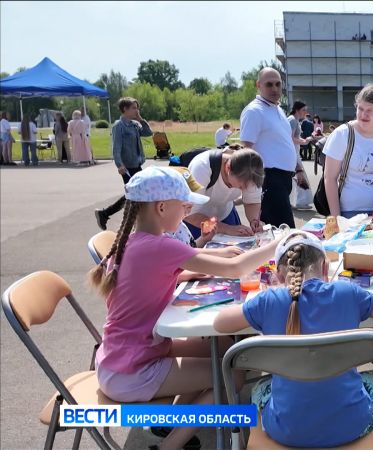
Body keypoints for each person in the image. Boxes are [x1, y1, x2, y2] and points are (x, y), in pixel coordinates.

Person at [88, 166, 281, 450]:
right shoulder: (160, 247)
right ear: (162, 207)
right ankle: (172, 444)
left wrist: (214, 255)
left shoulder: (137, 241)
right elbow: (236, 269)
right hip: (132, 370)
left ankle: (176, 422)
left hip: (122, 356)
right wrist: (280, 243)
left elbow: (171, 269)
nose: (188, 210)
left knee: (227, 348)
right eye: (184, 205)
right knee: (233, 372)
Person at [213, 231, 373, 448]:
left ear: (280, 276)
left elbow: (219, 323)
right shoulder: (347, 293)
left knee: (260, 388)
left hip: (285, 430)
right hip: (351, 425)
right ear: (325, 268)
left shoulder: (268, 301)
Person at [240, 68, 309, 228]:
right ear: (259, 85)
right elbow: (247, 149)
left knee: (277, 232)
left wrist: (298, 170)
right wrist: (252, 184)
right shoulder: (254, 111)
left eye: (278, 84)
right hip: (269, 178)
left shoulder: (277, 109)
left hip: (284, 178)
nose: (274, 89)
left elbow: (286, 143)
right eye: (269, 84)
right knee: (285, 233)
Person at [323, 84, 373, 221]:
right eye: (360, 109)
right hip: (351, 213)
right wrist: (337, 219)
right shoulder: (342, 134)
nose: (363, 114)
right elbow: (329, 178)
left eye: (369, 110)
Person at [94, 97, 152, 231]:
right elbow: (116, 148)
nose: (136, 110)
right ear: (124, 109)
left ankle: (106, 214)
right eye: (133, 108)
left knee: (134, 194)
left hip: (136, 164)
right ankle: (127, 225)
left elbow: (148, 133)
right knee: (134, 194)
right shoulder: (118, 127)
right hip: (126, 167)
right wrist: (119, 165)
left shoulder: (134, 124)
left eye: (137, 108)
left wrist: (140, 118)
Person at [184, 147, 264, 238]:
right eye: (240, 187)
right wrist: (227, 229)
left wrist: (253, 220)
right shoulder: (201, 168)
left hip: (225, 214)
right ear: (228, 168)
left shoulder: (252, 172)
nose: (243, 191)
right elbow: (189, 214)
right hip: (197, 220)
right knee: (202, 250)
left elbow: (252, 202)